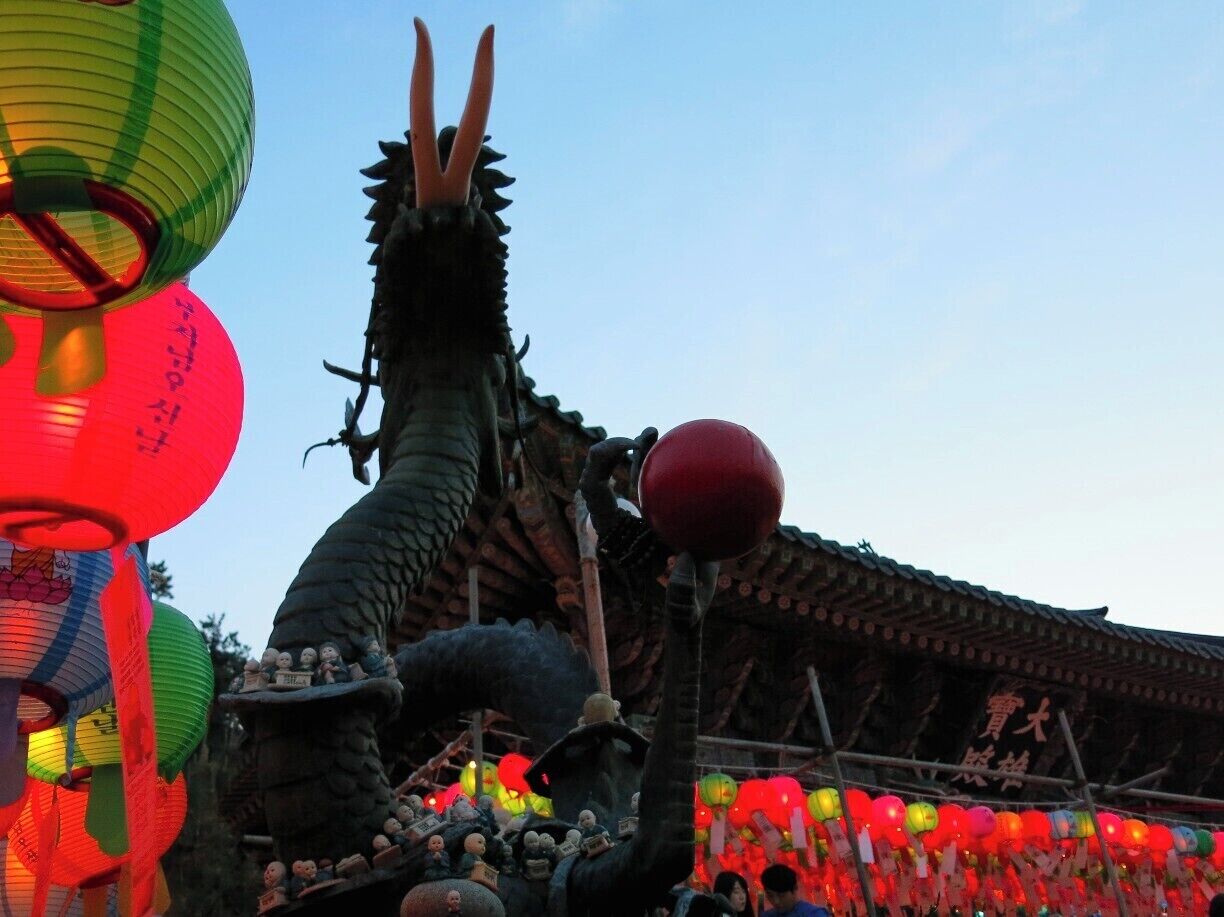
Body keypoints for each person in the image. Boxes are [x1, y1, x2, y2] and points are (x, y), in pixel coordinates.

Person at [759, 864, 829, 917]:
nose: (776, 901)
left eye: (781, 895)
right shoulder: (767, 915)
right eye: (770, 895)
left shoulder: (814, 914)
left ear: (795, 888)